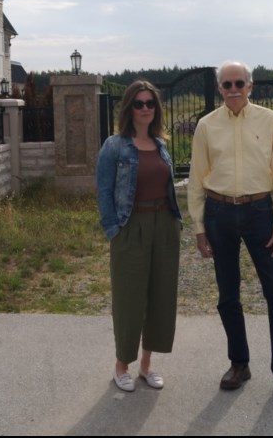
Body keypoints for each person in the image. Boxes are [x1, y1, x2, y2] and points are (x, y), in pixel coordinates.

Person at [187, 61, 273, 404]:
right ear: (220, 89)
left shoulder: (270, 121)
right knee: (228, 295)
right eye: (226, 84)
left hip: (260, 213)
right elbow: (196, 180)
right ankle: (239, 364)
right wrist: (199, 228)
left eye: (239, 82)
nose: (233, 89)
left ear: (251, 86)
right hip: (219, 213)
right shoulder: (206, 126)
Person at [96, 80, 183, 393]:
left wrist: (175, 222)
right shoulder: (114, 146)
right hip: (130, 225)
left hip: (164, 226)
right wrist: (113, 230)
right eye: (139, 103)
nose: (145, 108)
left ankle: (146, 365)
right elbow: (104, 190)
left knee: (160, 297)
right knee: (129, 298)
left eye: (150, 104)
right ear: (129, 108)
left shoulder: (161, 144)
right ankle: (122, 365)